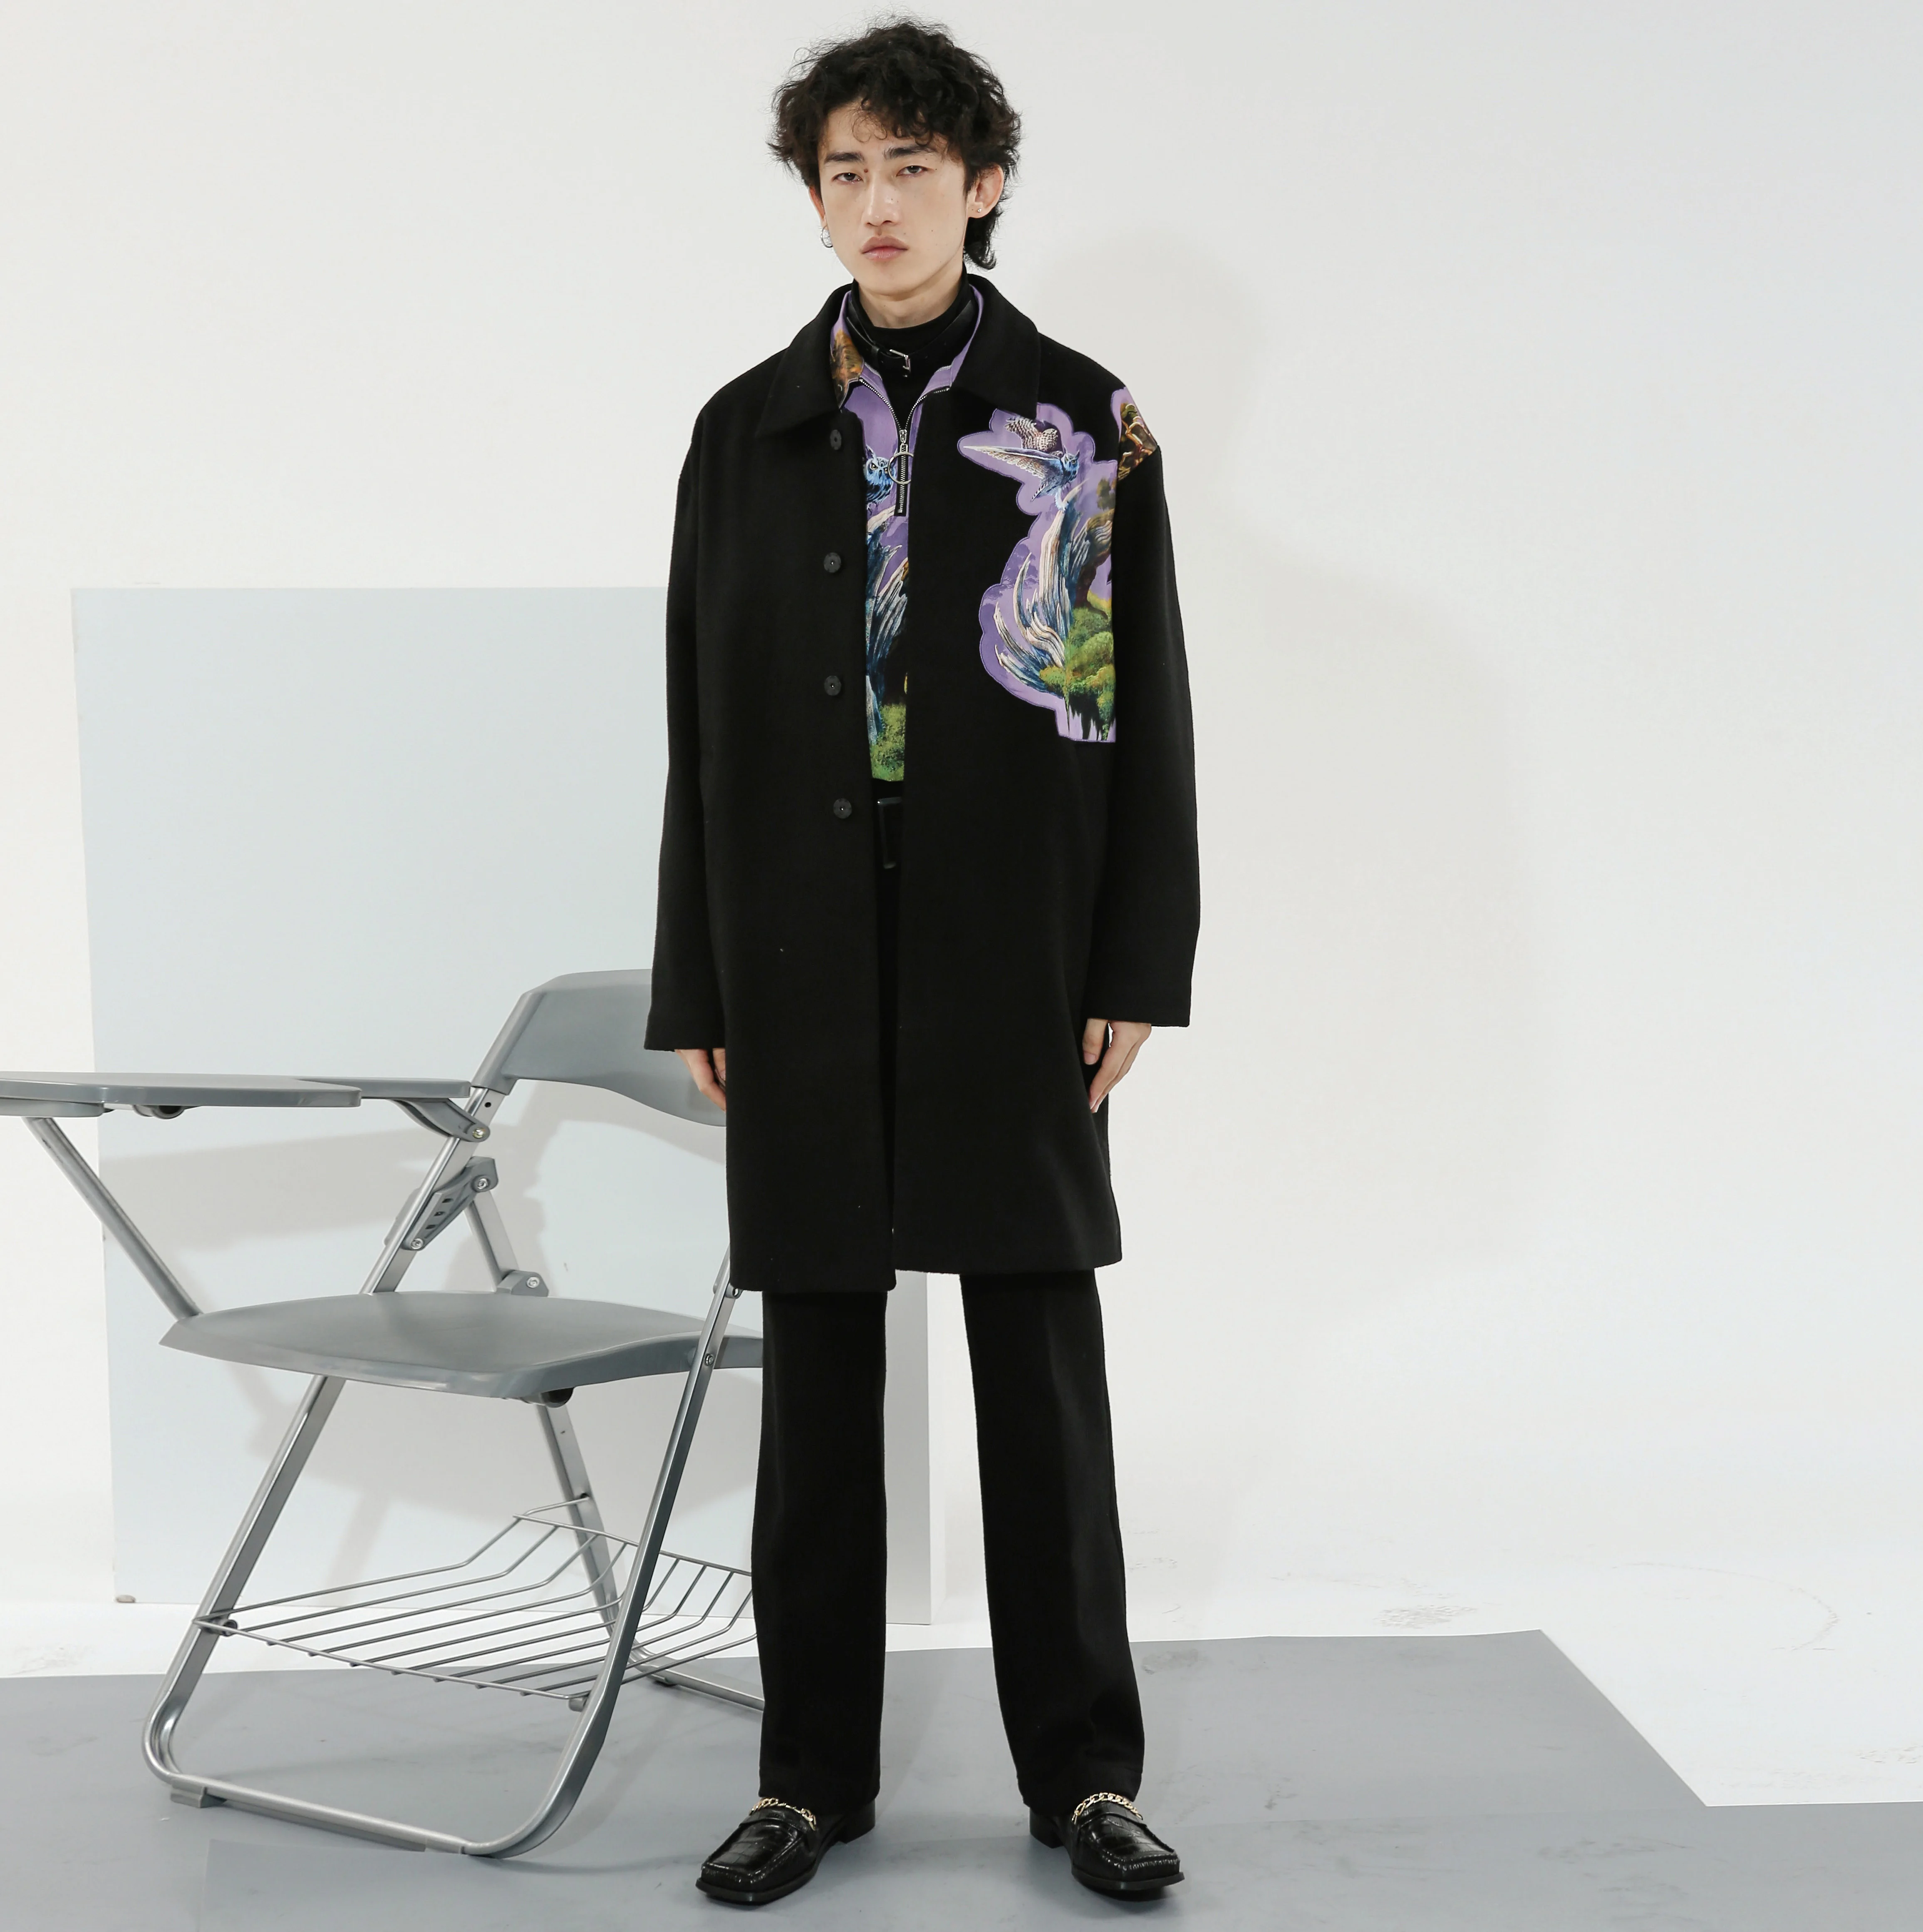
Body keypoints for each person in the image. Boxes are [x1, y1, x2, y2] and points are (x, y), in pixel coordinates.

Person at [643, 19, 1199, 1907]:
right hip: (796, 933)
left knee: (1037, 1360)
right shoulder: (744, 428)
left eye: (910, 169)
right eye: (844, 173)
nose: (875, 205)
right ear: (815, 197)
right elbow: (697, 726)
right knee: (817, 1370)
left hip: (1009, 933)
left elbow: (1148, 708)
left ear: (982, 183)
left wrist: (1136, 956)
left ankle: (1088, 1777)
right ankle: (809, 1779)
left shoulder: (1085, 421)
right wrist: (700, 977)